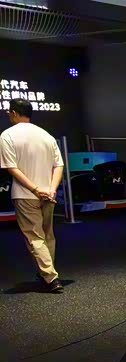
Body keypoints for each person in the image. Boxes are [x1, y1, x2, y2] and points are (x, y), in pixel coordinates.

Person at [0, 98, 65, 293]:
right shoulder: (46, 135)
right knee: (47, 235)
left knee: (34, 236)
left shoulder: (7, 135)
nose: (8, 114)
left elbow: (11, 168)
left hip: (25, 194)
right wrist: (51, 189)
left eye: (9, 111)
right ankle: (46, 273)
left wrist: (35, 189)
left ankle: (51, 278)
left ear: (14, 113)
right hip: (49, 194)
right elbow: (59, 165)